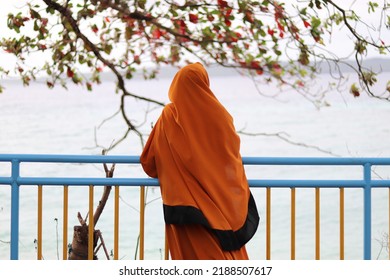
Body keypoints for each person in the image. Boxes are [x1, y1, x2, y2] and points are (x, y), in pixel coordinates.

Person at [140, 62, 259, 260]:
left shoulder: (169, 117)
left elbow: (149, 164)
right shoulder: (221, 116)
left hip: (184, 209)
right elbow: (230, 158)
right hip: (221, 206)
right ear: (204, 83)